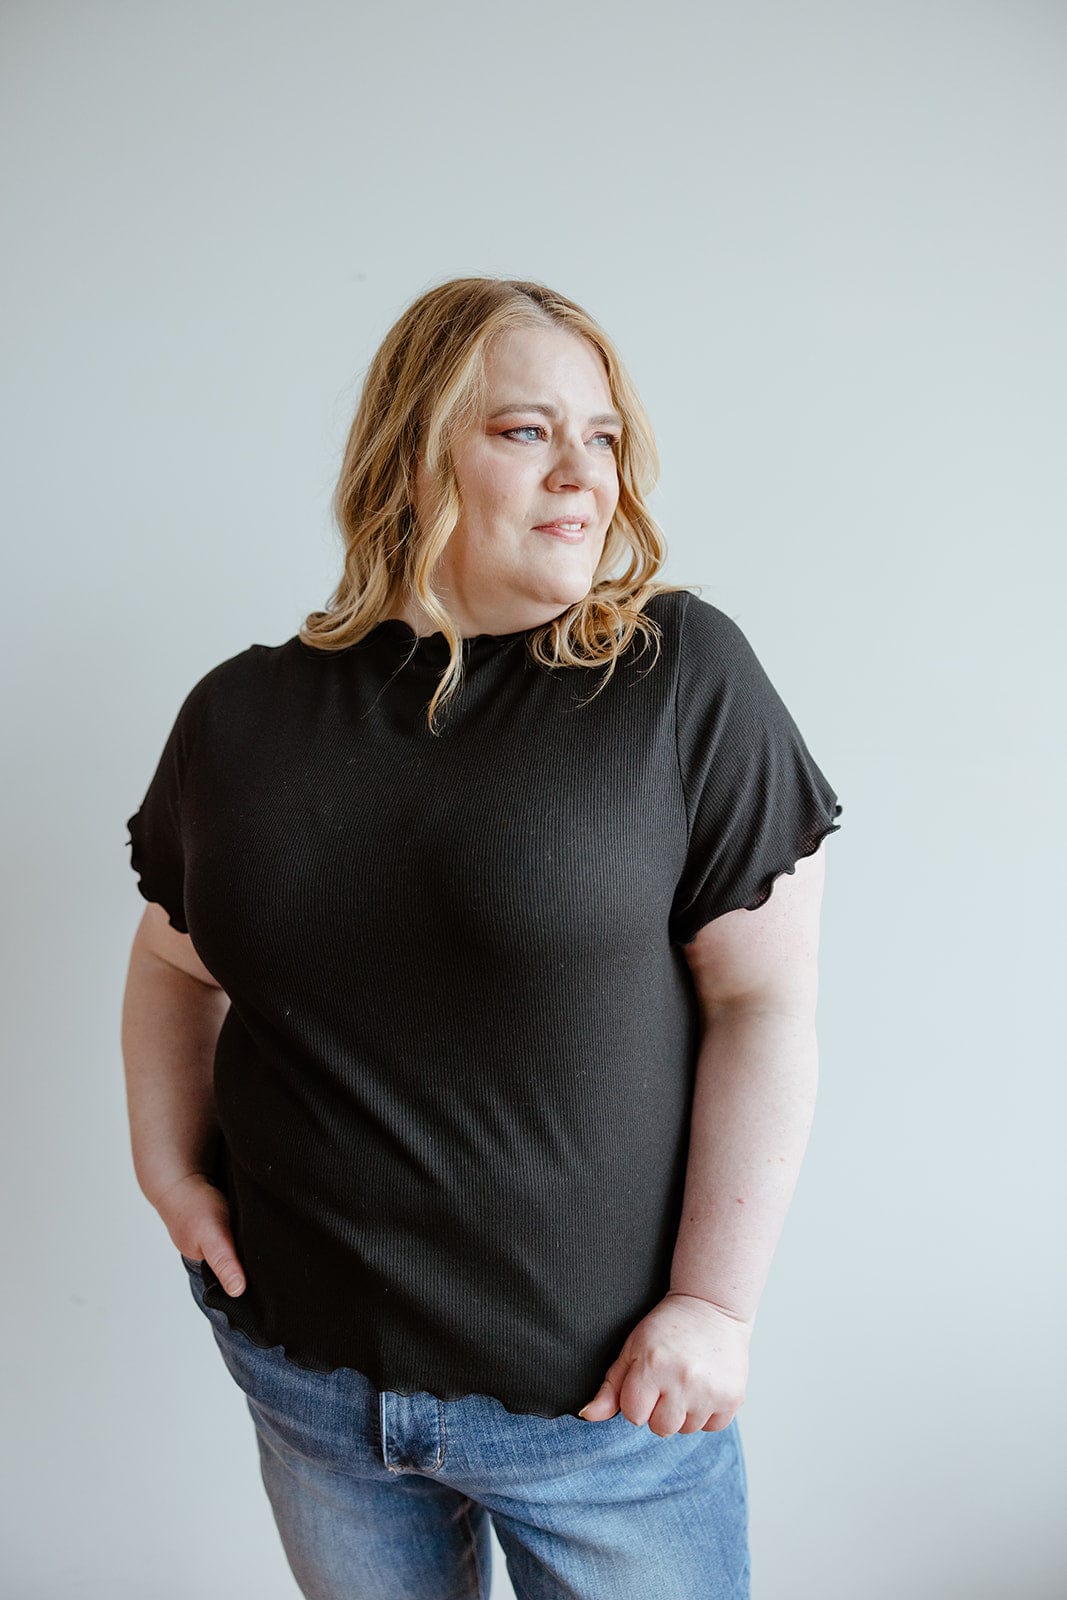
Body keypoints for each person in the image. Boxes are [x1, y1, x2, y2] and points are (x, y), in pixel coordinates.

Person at [120, 275, 842, 1600]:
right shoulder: (242, 716)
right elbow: (175, 957)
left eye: (604, 435)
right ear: (414, 457)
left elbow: (764, 1007)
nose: (587, 474)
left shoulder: (679, 678)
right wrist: (169, 1173)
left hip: (606, 1417)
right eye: (526, 431)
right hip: (314, 1391)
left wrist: (716, 1308)